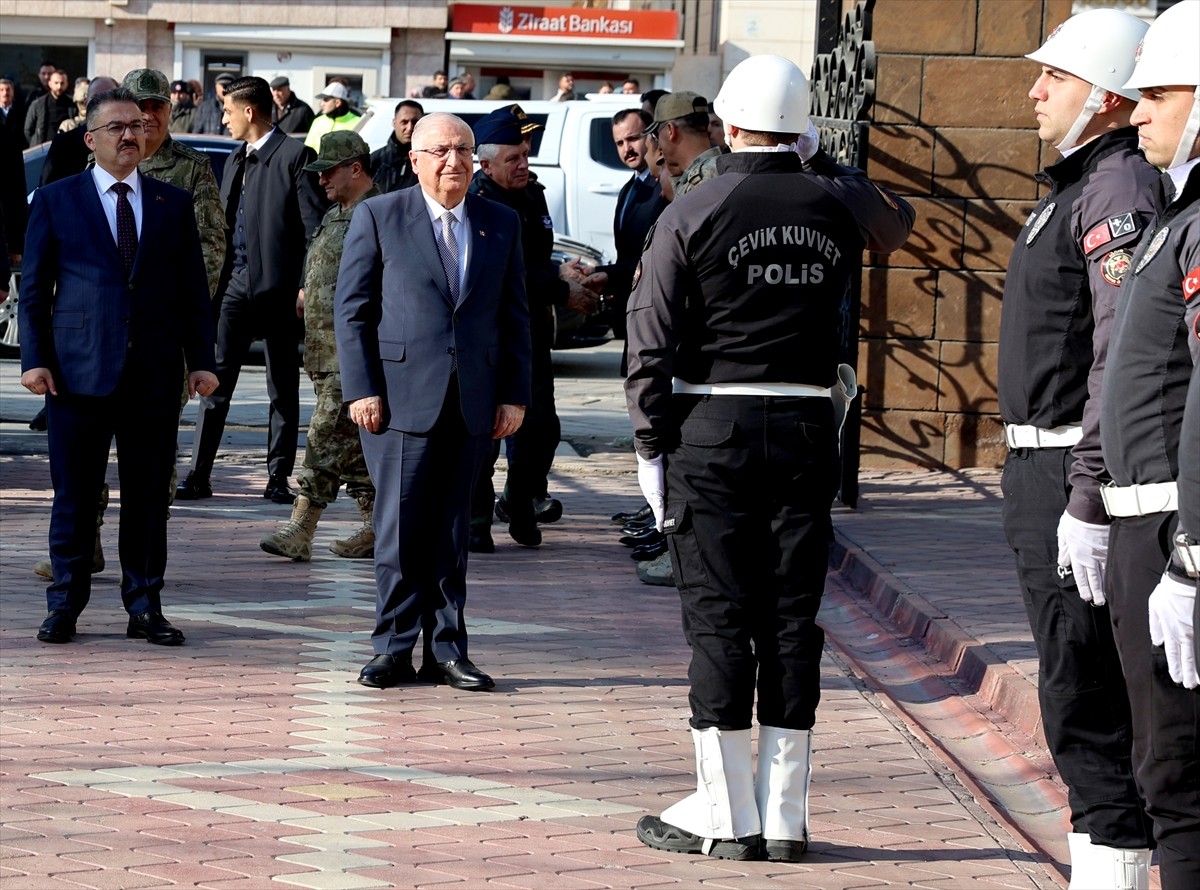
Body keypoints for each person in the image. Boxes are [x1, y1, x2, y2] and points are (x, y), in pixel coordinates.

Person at [625, 54, 914, 862]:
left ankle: (727, 811)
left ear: (725, 123)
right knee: (791, 620)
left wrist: (650, 444)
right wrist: (823, 158)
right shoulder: (831, 201)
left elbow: (648, 338)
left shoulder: (696, 205)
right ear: (803, 127)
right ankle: (785, 814)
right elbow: (896, 225)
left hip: (712, 431)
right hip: (804, 428)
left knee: (719, 617)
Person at [994, 10, 1162, 887]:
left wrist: (1086, 493)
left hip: (1070, 466)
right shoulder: (1076, 185)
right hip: (1043, 465)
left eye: (1053, 78)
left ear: (1105, 97)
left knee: (1086, 695)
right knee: (1071, 690)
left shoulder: (1117, 189)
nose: (1034, 90)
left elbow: (1116, 351)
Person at [335, 112, 530, 692]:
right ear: (415, 159)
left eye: (464, 150)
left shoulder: (501, 222)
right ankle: (392, 648)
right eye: (441, 151)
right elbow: (353, 312)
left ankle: (447, 650)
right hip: (397, 402)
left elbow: (515, 317)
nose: (455, 162)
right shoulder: (379, 214)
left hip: (473, 402)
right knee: (398, 533)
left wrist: (514, 396)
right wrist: (361, 388)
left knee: (452, 535)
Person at [19, 87, 217, 647]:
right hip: (76, 375)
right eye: (116, 127)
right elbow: (34, 291)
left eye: (138, 126)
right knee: (75, 498)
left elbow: (193, 293)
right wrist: (35, 361)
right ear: (91, 139)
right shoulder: (57, 200)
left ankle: (145, 606)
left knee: (149, 499)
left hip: (153, 374)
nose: (131, 134)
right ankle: (65, 606)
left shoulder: (170, 204)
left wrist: (201, 361)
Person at [1098, 2, 1200, 884]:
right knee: (1162, 769)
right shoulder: (1181, 209)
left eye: (1156, 95)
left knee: (1179, 780)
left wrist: (1193, 558)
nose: (1136, 114)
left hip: (1175, 526)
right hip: (1147, 523)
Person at [176, 76, 326, 504]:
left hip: (279, 292)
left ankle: (278, 477)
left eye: (227, 111)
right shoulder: (237, 159)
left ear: (248, 112)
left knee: (282, 387)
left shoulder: (296, 156)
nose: (222, 119)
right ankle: (198, 474)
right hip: (235, 289)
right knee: (214, 382)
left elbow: (314, 230)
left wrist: (302, 287)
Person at [466, 108, 604, 552]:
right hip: (488, 339)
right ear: (485, 165)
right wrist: (561, 289)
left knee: (539, 429)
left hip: (529, 336)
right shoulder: (476, 204)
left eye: (526, 154)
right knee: (484, 435)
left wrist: (560, 271)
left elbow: (532, 259)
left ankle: (521, 504)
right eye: (514, 158)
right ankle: (475, 520)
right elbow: (506, 274)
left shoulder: (532, 195)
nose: (524, 164)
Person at [260, 131, 378, 563]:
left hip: (353, 355)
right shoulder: (335, 214)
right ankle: (380, 526)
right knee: (356, 447)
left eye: (329, 170)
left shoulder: (378, 213)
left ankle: (301, 527)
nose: (322, 179)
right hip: (323, 355)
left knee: (325, 438)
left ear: (356, 168)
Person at [599, 108, 668, 341]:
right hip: (629, 307)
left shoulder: (665, 186)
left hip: (652, 311)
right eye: (619, 143)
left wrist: (604, 275)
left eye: (632, 139)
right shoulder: (628, 190)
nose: (626, 149)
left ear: (650, 136)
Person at [644, 91, 722, 197]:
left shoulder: (701, 182)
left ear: (670, 130)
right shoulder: (722, 168)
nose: (659, 146)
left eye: (656, 135)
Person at [370, 100, 423, 194]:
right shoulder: (376, 160)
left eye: (415, 122)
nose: (410, 127)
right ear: (394, 123)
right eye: (404, 122)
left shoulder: (431, 159)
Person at [304, 82, 361, 152]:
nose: (321, 104)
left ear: (337, 102)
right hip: (316, 163)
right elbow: (307, 149)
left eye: (326, 100)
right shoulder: (317, 121)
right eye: (322, 100)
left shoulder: (358, 122)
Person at [24, 69, 72, 146]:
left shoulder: (72, 104)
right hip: (43, 150)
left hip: (66, 148)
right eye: (56, 83)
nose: (59, 86)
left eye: (62, 83)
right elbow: (28, 130)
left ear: (67, 84)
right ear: (50, 84)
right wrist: (36, 144)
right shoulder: (38, 104)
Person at [0, 78, 26, 147]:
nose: (5, 93)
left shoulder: (22, 111)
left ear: (13, 92)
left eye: (8, 90)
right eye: (1, 90)